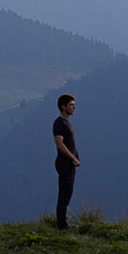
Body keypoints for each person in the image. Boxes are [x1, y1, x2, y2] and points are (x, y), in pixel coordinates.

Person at [51, 93, 79, 229]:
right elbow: (59, 143)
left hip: (69, 163)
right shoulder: (59, 123)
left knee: (67, 193)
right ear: (63, 107)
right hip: (65, 163)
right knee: (64, 194)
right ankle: (62, 225)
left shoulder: (66, 122)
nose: (74, 107)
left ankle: (62, 223)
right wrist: (72, 157)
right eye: (71, 105)